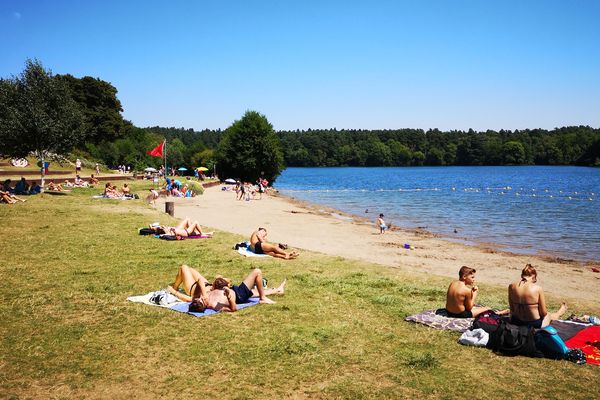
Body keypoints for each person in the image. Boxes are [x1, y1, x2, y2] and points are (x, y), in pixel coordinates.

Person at [166, 265, 285, 312]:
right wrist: (174, 291)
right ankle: (264, 297)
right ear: (204, 305)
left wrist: (204, 293)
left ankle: (277, 290)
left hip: (208, 285)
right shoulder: (212, 305)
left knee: (189, 269)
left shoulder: (201, 297)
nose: (202, 299)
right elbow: (233, 309)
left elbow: (201, 281)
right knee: (183, 268)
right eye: (202, 301)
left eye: (200, 299)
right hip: (235, 294)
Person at [508, 264, 567, 328]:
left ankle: (558, 312)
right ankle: (559, 313)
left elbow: (512, 309)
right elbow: (543, 313)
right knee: (548, 315)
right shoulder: (538, 288)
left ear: (522, 275)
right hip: (533, 324)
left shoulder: (511, 286)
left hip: (516, 321)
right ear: (533, 275)